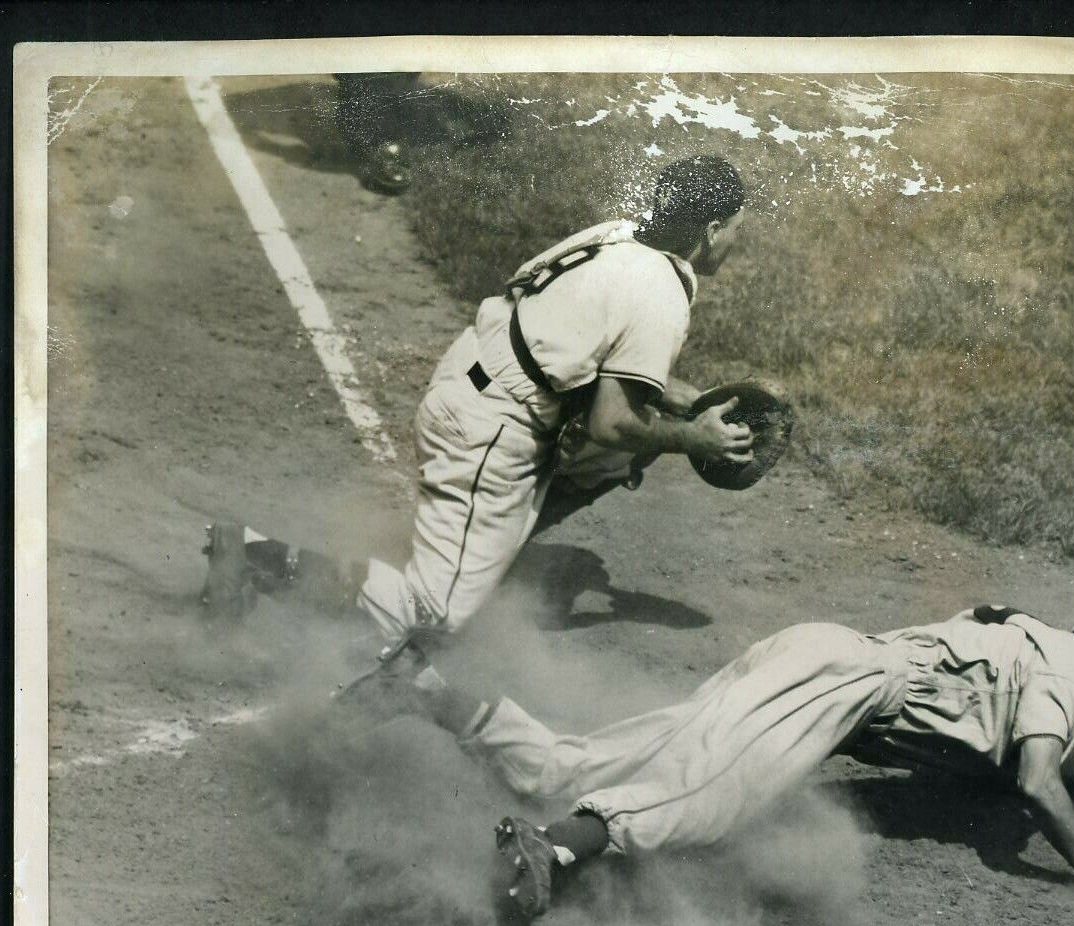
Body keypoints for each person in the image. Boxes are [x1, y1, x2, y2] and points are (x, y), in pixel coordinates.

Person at [201, 155, 755, 664]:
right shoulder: (660, 291)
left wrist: (689, 402)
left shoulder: (619, 237)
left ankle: (486, 543)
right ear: (709, 232)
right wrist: (694, 440)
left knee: (613, 462)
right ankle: (253, 555)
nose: (736, 240)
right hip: (492, 432)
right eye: (736, 228)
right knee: (432, 617)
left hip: (468, 376)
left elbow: (586, 345)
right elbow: (613, 422)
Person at [401, 602, 1074, 918]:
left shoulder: (1032, 632)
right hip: (847, 686)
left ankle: (429, 694)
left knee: (613, 755)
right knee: (703, 799)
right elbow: (1034, 779)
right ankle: (553, 849)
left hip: (820, 651)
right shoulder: (1072, 679)